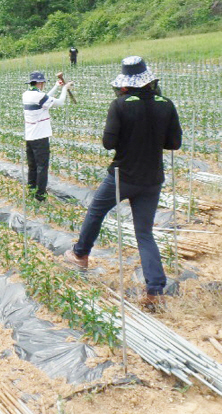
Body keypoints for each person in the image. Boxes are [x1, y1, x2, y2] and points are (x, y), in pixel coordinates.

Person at [64, 56, 182, 308]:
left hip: (122, 176)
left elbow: (108, 143)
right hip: (152, 179)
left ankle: (80, 254)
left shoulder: (120, 105)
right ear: (149, 81)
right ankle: (155, 290)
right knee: (144, 233)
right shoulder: (166, 104)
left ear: (126, 84)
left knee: (96, 211)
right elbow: (174, 143)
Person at [22, 71, 72, 201]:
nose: (44, 85)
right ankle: (40, 196)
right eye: (43, 83)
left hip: (30, 136)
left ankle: (31, 191)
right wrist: (65, 89)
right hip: (40, 137)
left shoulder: (27, 94)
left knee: (32, 166)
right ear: (40, 83)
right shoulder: (38, 97)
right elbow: (59, 102)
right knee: (42, 167)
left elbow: (45, 98)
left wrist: (56, 86)